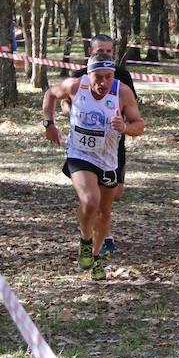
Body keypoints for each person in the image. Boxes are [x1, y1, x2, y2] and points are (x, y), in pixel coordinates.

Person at [42, 52, 144, 281]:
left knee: (104, 212)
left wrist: (125, 127)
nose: (103, 83)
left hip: (108, 159)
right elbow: (50, 95)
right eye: (98, 77)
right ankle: (85, 241)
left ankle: (96, 256)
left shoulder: (122, 92)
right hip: (80, 154)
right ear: (89, 75)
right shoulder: (76, 85)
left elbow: (139, 125)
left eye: (108, 77)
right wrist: (49, 124)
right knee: (90, 201)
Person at [64, 34, 137, 258]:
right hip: (84, 148)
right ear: (91, 52)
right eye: (101, 51)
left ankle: (99, 231)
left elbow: (132, 110)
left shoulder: (122, 77)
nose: (105, 55)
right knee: (92, 199)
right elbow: (64, 102)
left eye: (109, 52)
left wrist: (123, 125)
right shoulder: (80, 77)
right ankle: (102, 240)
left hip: (114, 146)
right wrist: (73, 116)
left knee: (115, 196)